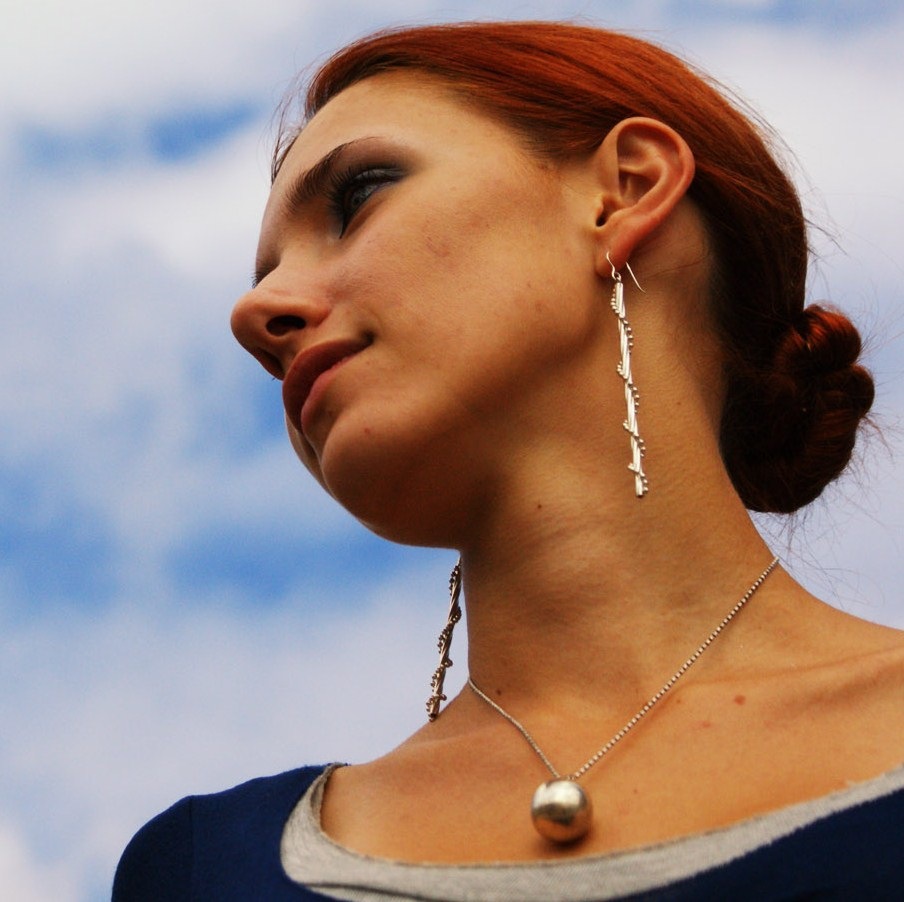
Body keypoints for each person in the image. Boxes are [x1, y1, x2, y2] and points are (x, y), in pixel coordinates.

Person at [113, 20, 904, 900]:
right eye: (265, 273)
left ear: (624, 192)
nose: (255, 312)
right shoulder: (202, 869)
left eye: (358, 196)